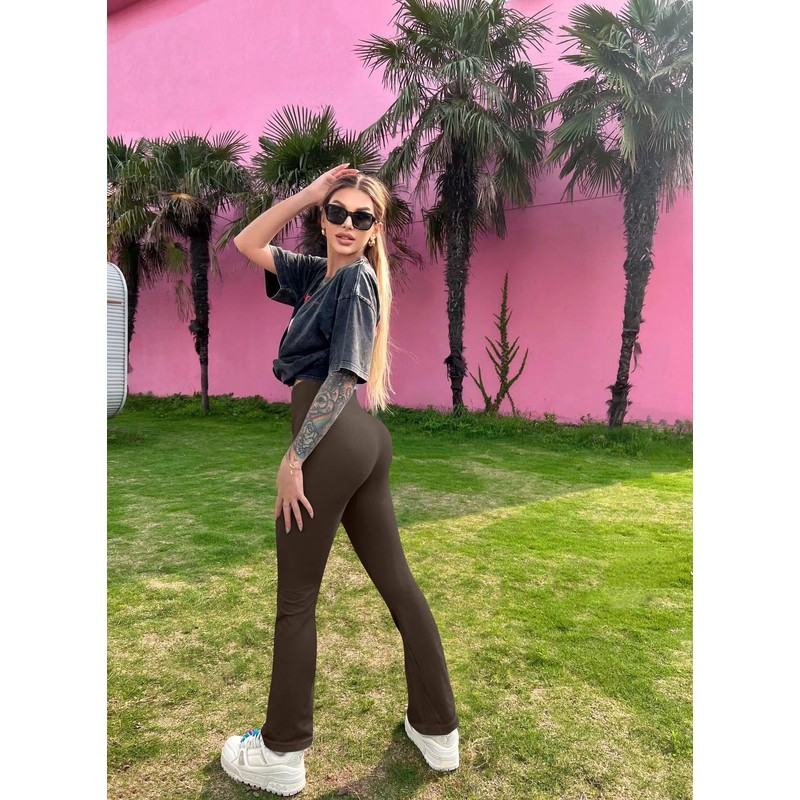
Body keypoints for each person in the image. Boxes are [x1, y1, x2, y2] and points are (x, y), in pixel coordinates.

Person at [219, 164, 460, 796]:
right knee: (399, 586)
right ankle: (437, 729)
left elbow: (346, 374)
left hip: (329, 434)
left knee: (297, 598)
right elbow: (246, 243)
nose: (347, 225)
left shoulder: (354, 282)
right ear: (324, 219)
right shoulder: (315, 275)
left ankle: (281, 751)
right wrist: (308, 194)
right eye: (337, 213)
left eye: (362, 217)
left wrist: (294, 458)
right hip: (361, 442)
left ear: (376, 229)